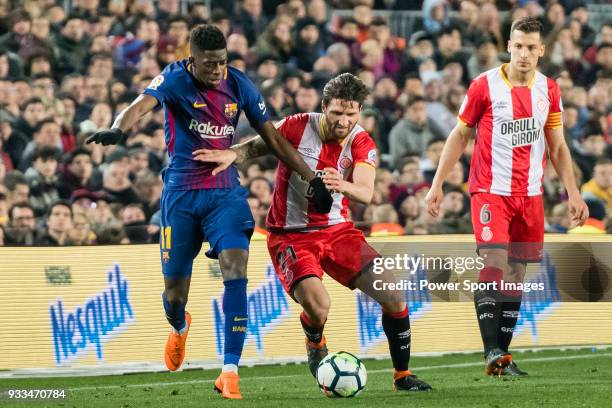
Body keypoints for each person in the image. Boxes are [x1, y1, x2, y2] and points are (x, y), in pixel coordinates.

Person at [86, 24, 333, 400]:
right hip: (181, 197)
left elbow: (273, 138)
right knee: (174, 295)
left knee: (236, 270)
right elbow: (140, 105)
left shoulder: (239, 84)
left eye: (222, 62)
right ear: (191, 60)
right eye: (209, 64)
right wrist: (119, 129)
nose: (217, 70)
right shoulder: (173, 78)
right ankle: (179, 326)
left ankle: (230, 371)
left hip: (224, 194)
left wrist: (311, 177)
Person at [194, 73, 432, 392]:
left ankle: (402, 376)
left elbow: (364, 191)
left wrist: (341, 184)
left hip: (337, 231)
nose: (344, 121)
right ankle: (314, 337)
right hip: (290, 236)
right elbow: (256, 147)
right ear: (324, 107)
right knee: (319, 306)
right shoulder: (296, 125)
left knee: (393, 294)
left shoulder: (362, 141)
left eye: (351, 114)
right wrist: (231, 154)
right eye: (337, 113)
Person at [425, 17, 588, 376]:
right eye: (518, 46)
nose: (524, 53)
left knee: (516, 273)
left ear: (541, 50)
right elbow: (459, 135)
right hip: (490, 192)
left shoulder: (550, 90)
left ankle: (502, 356)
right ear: (509, 46)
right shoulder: (484, 85)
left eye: (532, 47)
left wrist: (572, 192)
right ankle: (492, 351)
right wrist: (437, 184)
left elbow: (557, 146)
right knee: (494, 263)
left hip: (530, 195)